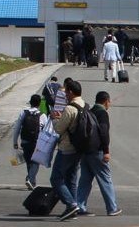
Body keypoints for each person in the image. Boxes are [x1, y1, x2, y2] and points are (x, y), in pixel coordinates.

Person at [49, 78, 90, 221]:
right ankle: (73, 208)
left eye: (66, 91)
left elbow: (59, 129)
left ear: (71, 92)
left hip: (66, 148)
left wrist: (55, 119)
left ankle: (71, 204)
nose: (65, 94)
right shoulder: (85, 105)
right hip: (79, 148)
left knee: (56, 178)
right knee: (72, 178)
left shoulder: (69, 108)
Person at [77, 91, 121, 217]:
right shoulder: (102, 113)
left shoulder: (89, 112)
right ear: (106, 101)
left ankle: (80, 206)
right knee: (105, 179)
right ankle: (112, 208)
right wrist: (106, 151)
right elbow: (104, 133)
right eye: (109, 101)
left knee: (85, 180)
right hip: (97, 151)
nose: (110, 104)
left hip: (85, 151)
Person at [12, 94, 48, 190]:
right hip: (37, 142)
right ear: (39, 103)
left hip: (25, 141)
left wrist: (15, 142)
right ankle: (30, 179)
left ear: (30, 102)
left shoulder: (23, 113)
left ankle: (32, 182)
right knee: (35, 162)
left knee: (29, 161)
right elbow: (47, 131)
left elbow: (17, 128)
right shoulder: (42, 116)